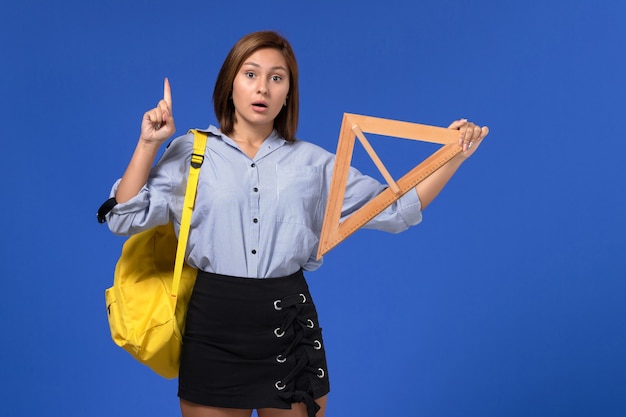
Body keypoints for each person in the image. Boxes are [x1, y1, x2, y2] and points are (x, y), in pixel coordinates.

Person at [101, 30, 489, 417]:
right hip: (213, 324)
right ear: (229, 84)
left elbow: (398, 210)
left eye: (276, 77)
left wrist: (455, 156)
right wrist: (148, 143)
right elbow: (125, 217)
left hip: (287, 322)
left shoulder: (314, 163)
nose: (263, 88)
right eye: (251, 74)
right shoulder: (191, 152)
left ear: (288, 92)